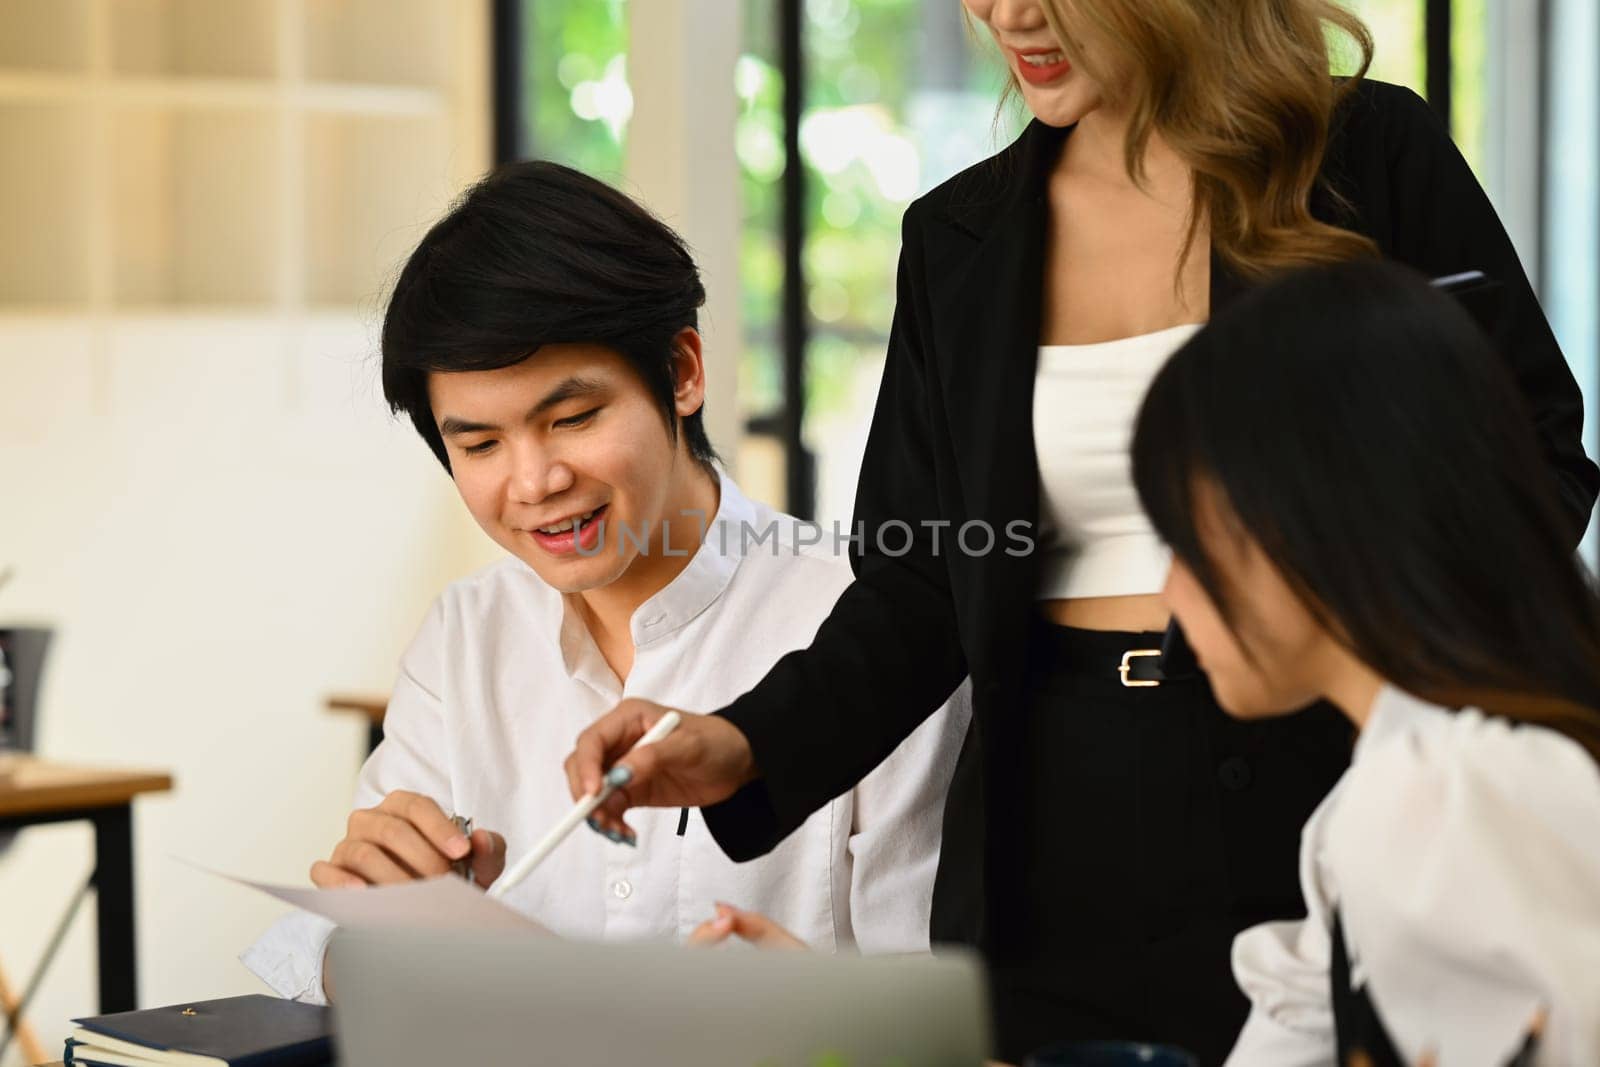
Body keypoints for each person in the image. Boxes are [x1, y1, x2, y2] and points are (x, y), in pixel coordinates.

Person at [564, 0, 1599, 1061]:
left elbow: (1530, 462)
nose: (1008, 13)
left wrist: (1363, 648)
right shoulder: (957, 238)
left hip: (1321, 764)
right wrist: (742, 740)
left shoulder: (1368, 157)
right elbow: (920, 583)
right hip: (1050, 825)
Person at [240, 162, 968, 1003]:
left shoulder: (877, 626)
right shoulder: (464, 640)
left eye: (573, 418)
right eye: (479, 445)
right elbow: (324, 948)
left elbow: (924, 999)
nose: (535, 481)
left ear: (683, 371)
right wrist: (384, 931)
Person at [1125, 259, 1600, 1066]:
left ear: (1302, 522)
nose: (1168, 590)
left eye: (1183, 538)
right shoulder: (1409, 784)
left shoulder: (1443, 794)